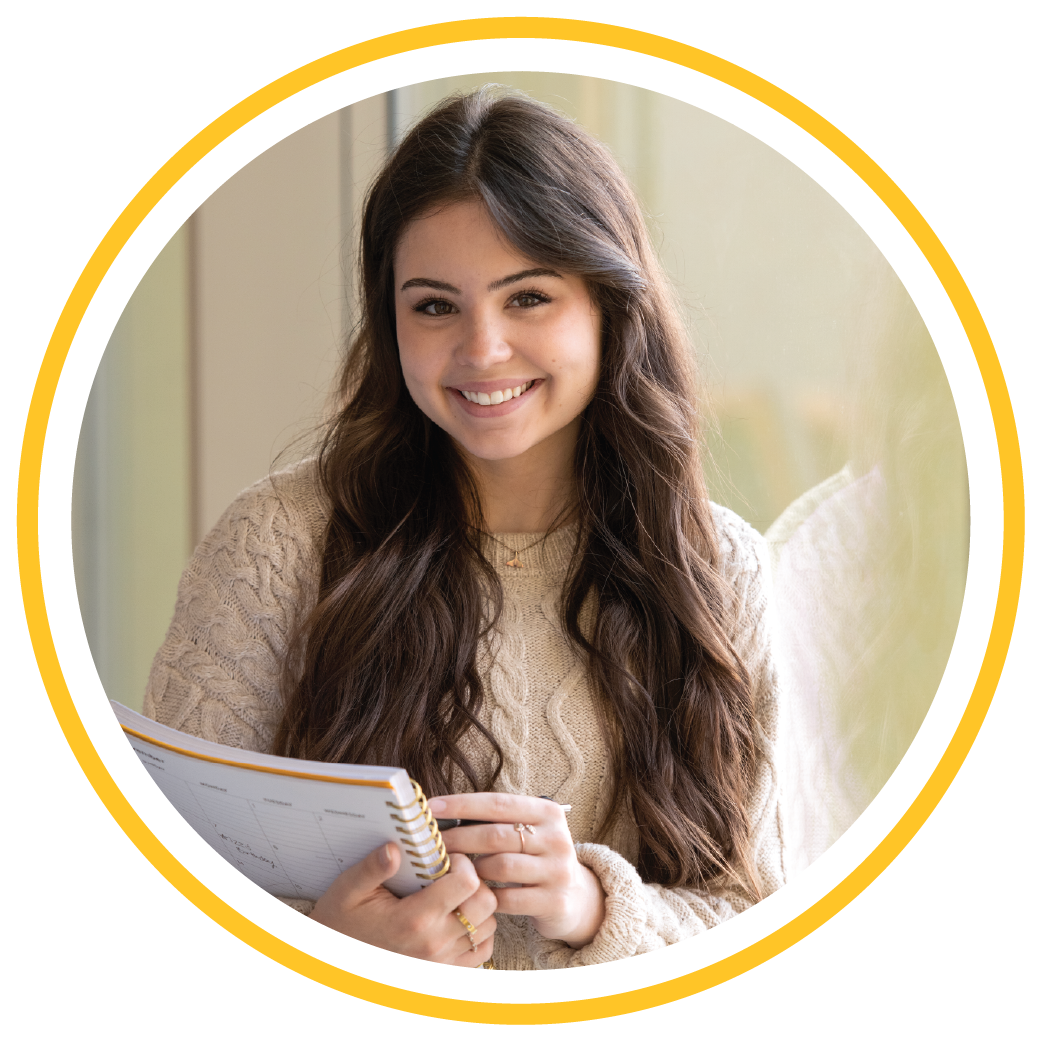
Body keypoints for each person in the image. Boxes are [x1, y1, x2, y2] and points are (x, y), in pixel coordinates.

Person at [143, 88, 784, 971]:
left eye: (528, 298)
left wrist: (597, 906)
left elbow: (762, 929)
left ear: (607, 306)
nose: (482, 350)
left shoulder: (723, 569)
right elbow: (157, 902)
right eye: (435, 306)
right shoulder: (271, 546)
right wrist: (333, 952)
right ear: (388, 319)